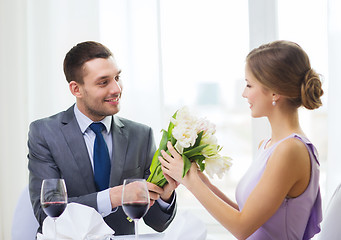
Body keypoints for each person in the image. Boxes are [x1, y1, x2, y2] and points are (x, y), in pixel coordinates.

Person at [159, 40, 323, 239]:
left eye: (249, 84)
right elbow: (251, 218)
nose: (244, 93)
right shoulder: (270, 145)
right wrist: (203, 183)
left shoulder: (291, 150)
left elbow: (242, 227)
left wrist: (190, 181)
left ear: (274, 91)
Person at [28, 41, 177, 235]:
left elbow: (157, 223)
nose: (116, 89)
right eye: (103, 82)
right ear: (76, 89)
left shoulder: (142, 135)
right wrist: (115, 196)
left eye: (117, 77)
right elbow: (46, 214)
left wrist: (165, 196)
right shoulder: (44, 133)